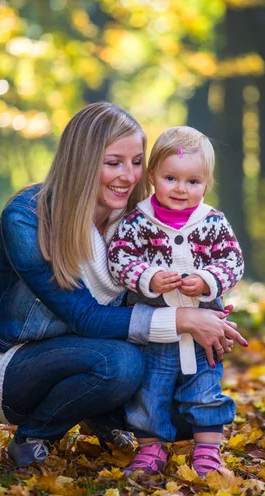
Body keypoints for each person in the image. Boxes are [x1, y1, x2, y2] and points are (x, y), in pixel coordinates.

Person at [0, 103, 247, 468]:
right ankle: (34, 435)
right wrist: (183, 321)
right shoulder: (28, 219)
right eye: (113, 162)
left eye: (135, 162)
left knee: (182, 413)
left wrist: (208, 318)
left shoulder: (136, 220)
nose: (128, 176)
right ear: (81, 161)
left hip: (92, 351)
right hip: (15, 364)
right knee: (122, 365)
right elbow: (85, 317)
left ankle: (97, 414)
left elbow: (190, 269)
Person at [107, 126, 245, 477]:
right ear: (152, 175)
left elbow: (233, 261)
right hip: (154, 332)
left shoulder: (212, 222)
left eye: (193, 182)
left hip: (203, 334)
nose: (181, 189)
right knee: (149, 394)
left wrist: (208, 280)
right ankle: (151, 449)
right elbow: (120, 257)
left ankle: (208, 452)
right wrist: (147, 277)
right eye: (171, 178)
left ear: (206, 183)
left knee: (205, 390)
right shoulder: (138, 221)